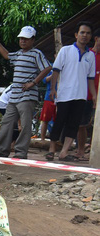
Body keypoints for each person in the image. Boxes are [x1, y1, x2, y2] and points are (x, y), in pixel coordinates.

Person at [0, 26, 51, 159]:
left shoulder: (36, 54)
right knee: (7, 122)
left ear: (33, 40)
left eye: (26, 39)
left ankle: (20, 153)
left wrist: (33, 82)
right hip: (14, 95)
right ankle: (1, 150)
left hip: (28, 95)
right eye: (21, 38)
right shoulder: (18, 54)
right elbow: (6, 55)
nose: (23, 41)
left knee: (25, 125)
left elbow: (47, 68)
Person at [47, 21, 96, 162]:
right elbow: (56, 71)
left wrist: (94, 96)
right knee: (59, 121)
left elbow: (90, 79)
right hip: (64, 94)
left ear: (91, 36)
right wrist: (53, 89)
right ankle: (51, 150)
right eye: (82, 32)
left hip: (81, 95)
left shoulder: (90, 56)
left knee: (74, 124)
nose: (85, 35)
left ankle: (64, 152)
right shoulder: (65, 50)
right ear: (76, 35)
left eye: (87, 33)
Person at [76, 30, 100, 161]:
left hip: (98, 96)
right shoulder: (87, 54)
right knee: (82, 124)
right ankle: (80, 151)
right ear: (96, 38)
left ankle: (95, 151)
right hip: (85, 95)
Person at [39, 71, 55, 141]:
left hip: (61, 97)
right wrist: (54, 74)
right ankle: (42, 139)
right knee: (45, 119)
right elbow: (44, 80)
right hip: (49, 97)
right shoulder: (49, 68)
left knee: (58, 120)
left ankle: (55, 140)